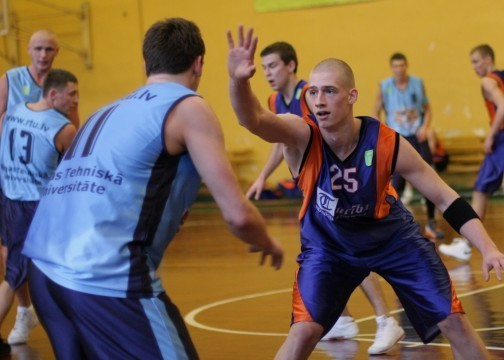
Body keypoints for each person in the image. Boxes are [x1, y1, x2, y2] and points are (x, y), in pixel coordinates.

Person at [227, 26, 504, 360]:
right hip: (329, 246)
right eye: (313, 92)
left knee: (454, 322)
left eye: (329, 91)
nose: (318, 100)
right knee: (303, 333)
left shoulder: (387, 142)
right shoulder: (302, 134)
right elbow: (253, 118)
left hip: (392, 239)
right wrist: (238, 81)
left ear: (352, 96)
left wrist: (487, 247)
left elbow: (446, 197)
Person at [22, 18, 283, 359]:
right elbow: (238, 215)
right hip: (101, 272)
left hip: (42, 268)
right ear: (199, 63)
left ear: (146, 64)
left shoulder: (109, 110)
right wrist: (266, 241)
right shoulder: (189, 107)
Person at [250, 41, 404, 354]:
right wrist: (263, 175)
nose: (267, 73)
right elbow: (280, 141)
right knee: (326, 256)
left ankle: (385, 319)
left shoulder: (316, 92)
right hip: (315, 189)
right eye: (263, 68)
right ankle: (343, 318)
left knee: (347, 250)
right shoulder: (275, 99)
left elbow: (343, 135)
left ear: (291, 65)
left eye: (272, 66)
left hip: (346, 187)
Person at [0, 30, 80, 344]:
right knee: (14, 264)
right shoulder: (13, 81)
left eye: (49, 49)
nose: (43, 54)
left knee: (20, 263)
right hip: (23, 195)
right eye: (38, 48)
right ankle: (31, 312)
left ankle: (30, 312)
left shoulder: (22, 111)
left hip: (22, 194)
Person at [439, 44, 504, 262]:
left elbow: (503, 106)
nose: (474, 67)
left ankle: (467, 244)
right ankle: (467, 243)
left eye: (475, 61)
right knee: (482, 189)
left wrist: (491, 135)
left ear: (487, 59)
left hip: (501, 139)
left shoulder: (488, 81)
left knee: (481, 189)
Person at [372, 53, 443, 240]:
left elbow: (427, 110)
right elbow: (375, 113)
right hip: (397, 139)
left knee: (429, 180)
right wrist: (384, 133)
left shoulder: (418, 83)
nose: (399, 69)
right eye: (395, 66)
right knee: (396, 184)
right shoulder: (384, 87)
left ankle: (431, 223)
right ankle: (391, 227)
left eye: (402, 65)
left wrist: (425, 127)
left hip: (417, 137)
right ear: (391, 68)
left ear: (407, 66)